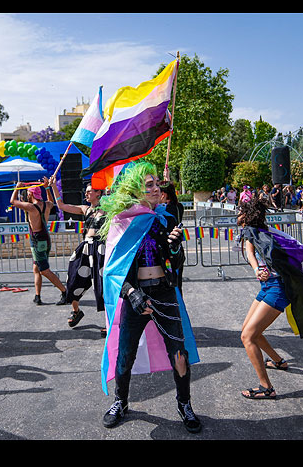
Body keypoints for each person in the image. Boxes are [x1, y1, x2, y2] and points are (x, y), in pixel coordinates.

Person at [98, 161, 201, 433]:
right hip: (137, 296)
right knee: (125, 354)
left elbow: (175, 265)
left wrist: (176, 248)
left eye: (157, 183)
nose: (157, 188)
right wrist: (132, 294)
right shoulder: (122, 222)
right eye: (150, 185)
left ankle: (185, 404)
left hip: (164, 293)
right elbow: (112, 270)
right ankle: (121, 402)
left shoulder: (165, 218)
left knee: (179, 353)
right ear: (135, 190)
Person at [238, 196, 303, 400]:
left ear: (248, 215)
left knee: (248, 336)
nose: (237, 215)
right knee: (250, 332)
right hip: (268, 286)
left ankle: (266, 388)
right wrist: (259, 270)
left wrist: (257, 269)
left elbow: (250, 254)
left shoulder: (252, 231)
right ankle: (278, 361)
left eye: (241, 212)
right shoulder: (263, 232)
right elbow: (253, 254)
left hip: (277, 289)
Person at [48, 176, 106, 332]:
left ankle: (110, 322)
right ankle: (76, 311)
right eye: (86, 192)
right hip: (86, 247)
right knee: (74, 279)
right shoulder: (84, 209)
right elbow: (61, 206)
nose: (86, 195)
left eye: (89, 192)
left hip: (101, 249)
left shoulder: (108, 209)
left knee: (102, 285)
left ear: (98, 193)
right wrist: (53, 186)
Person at [11, 181, 67, 305]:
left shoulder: (31, 207)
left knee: (44, 270)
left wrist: (17, 188)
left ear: (31, 194)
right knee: (36, 268)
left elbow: (12, 201)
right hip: (44, 237)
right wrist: (47, 187)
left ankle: (64, 291)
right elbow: (51, 201)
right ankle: (38, 296)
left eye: (28, 193)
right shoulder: (46, 205)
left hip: (38, 239)